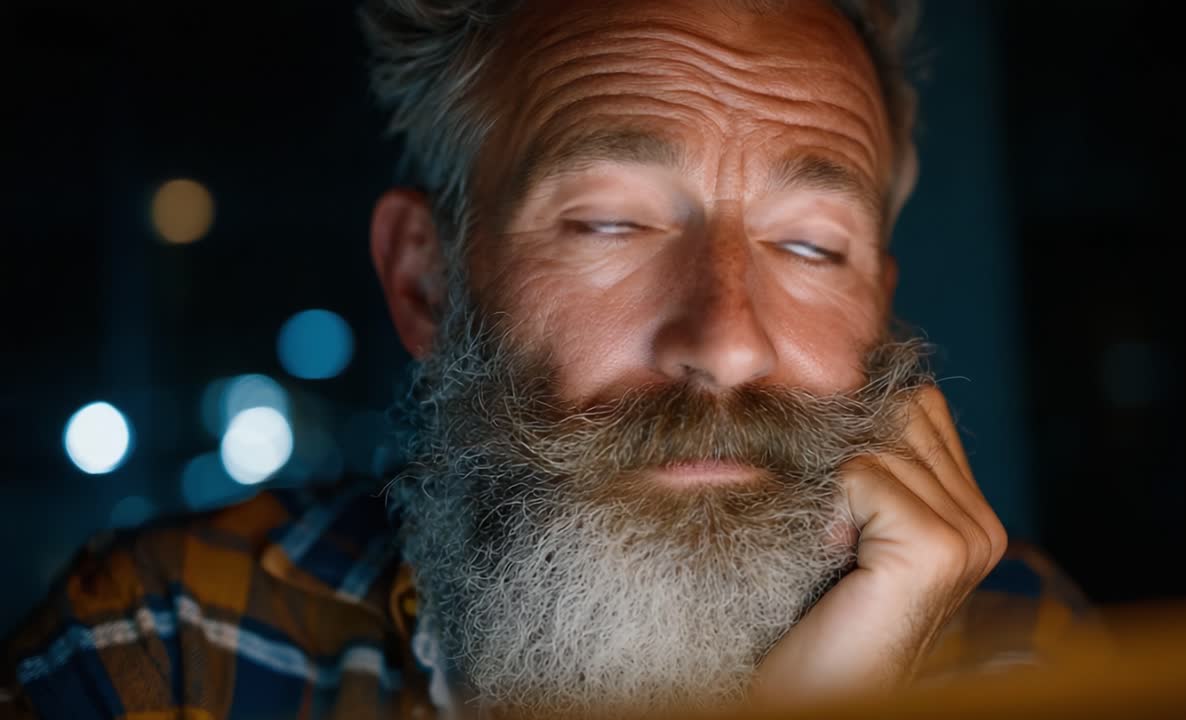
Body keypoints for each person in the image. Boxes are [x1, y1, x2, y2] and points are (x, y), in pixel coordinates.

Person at [2, 1, 1097, 718]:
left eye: (810, 246)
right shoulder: (166, 653)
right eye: (609, 225)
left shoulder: (1023, 659)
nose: (723, 341)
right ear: (426, 282)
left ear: (881, 318)